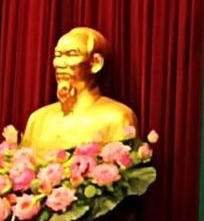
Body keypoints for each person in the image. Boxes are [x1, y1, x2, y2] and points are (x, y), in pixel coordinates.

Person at [21, 26, 139, 157]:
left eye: (71, 54)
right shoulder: (38, 119)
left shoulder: (117, 117)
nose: (59, 63)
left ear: (96, 63)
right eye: (58, 55)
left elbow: (127, 167)